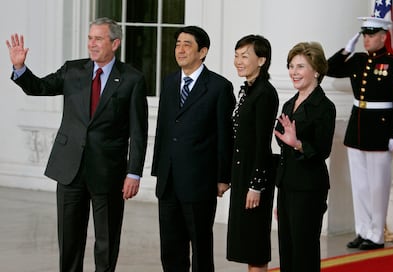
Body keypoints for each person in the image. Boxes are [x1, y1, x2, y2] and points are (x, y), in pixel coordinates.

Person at [5, 17, 148, 271]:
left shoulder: (131, 79)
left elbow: (138, 132)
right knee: (69, 240)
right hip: (70, 168)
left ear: (115, 43)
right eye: (90, 38)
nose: (92, 44)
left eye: (98, 39)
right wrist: (20, 69)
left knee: (106, 240)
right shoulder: (73, 70)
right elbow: (39, 87)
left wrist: (133, 172)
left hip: (108, 172)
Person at [151, 25, 235, 272]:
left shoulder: (219, 87)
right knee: (170, 248)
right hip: (168, 181)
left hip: (200, 181)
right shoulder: (169, 82)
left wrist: (223, 177)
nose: (180, 49)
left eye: (187, 44)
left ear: (203, 51)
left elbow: (225, 135)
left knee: (200, 246)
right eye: (178, 44)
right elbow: (163, 130)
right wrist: (158, 169)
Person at [327, 16, 393, 250]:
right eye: (364, 34)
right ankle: (363, 231)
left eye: (371, 35)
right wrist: (346, 50)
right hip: (358, 129)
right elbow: (328, 68)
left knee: (378, 187)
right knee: (360, 186)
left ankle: (376, 235)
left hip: (381, 131)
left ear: (384, 36)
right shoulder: (357, 60)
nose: (366, 39)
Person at [274, 42, 336, 272]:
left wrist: (298, 144)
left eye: (300, 66)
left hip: (309, 188)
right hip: (287, 185)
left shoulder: (325, 107)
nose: (293, 72)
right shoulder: (289, 103)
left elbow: (323, 150)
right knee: (287, 247)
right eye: (291, 66)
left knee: (305, 249)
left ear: (316, 70)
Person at [226, 34, 278, 272]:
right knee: (245, 243)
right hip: (241, 173)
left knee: (255, 245)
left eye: (245, 56)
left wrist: (256, 185)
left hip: (254, 177)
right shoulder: (246, 89)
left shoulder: (265, 93)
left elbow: (262, 143)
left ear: (261, 60)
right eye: (236, 55)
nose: (238, 61)